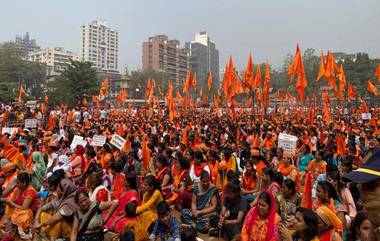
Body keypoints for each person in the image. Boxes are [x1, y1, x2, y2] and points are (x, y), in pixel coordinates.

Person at [33, 173, 78, 240]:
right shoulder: (59, 198)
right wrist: (36, 221)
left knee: (54, 222)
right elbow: (42, 208)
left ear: (63, 191)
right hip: (57, 225)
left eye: (58, 188)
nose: (57, 189)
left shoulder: (70, 203)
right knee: (42, 214)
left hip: (69, 230)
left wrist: (41, 224)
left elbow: (56, 218)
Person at [0, 172, 40, 239]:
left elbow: (24, 208)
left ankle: (17, 230)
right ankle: (8, 226)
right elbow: (4, 194)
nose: (16, 184)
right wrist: (13, 187)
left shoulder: (30, 191)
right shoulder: (20, 188)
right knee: (9, 207)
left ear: (24, 183)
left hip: (26, 213)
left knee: (22, 215)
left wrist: (10, 203)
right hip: (18, 210)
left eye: (18, 183)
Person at [136, 175, 163, 239]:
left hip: (159, 214)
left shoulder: (157, 193)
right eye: (143, 184)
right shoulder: (145, 194)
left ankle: (145, 234)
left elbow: (147, 205)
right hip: (150, 213)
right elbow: (143, 206)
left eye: (145, 185)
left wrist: (135, 210)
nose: (143, 186)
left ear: (151, 187)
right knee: (140, 215)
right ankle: (141, 233)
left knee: (146, 214)